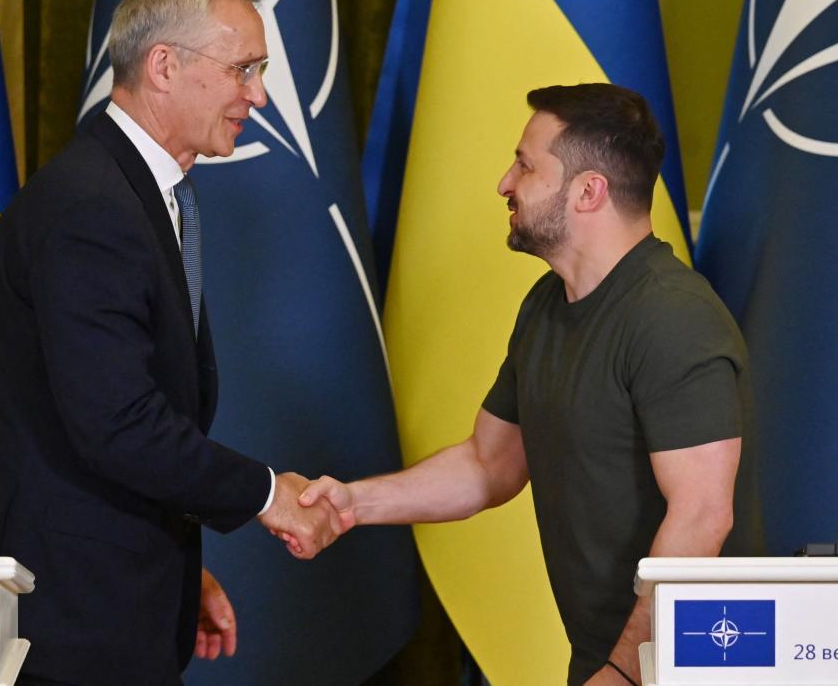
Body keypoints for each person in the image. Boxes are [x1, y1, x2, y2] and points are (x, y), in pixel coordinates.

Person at [0, 0, 339, 686]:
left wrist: (175, 566)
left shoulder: (135, 195)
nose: (258, 95)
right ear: (164, 65)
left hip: (105, 598)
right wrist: (267, 495)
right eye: (244, 69)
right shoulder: (91, 210)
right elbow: (119, 424)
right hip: (63, 622)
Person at [299, 83, 759, 685]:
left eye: (525, 164)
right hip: (611, 662)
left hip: (696, 664)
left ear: (588, 191)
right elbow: (489, 465)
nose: (504, 183)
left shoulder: (674, 317)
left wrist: (625, 672)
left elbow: (702, 516)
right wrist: (352, 505)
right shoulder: (546, 305)